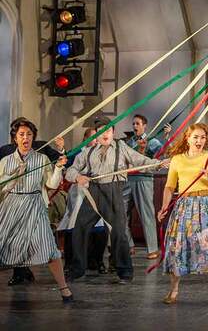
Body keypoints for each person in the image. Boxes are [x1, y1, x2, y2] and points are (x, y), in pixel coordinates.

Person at [65, 116, 166, 283]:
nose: (105, 134)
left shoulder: (121, 147)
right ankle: (77, 270)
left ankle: (125, 272)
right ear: (95, 135)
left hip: (113, 190)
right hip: (93, 192)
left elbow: (140, 160)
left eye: (108, 130)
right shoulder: (88, 151)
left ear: (113, 132)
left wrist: (158, 164)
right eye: (100, 131)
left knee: (119, 232)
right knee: (79, 229)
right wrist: (78, 177)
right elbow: (70, 170)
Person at [156, 123, 208, 305]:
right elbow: (170, 187)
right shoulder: (177, 159)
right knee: (177, 247)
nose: (199, 141)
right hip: (184, 206)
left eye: (202, 137)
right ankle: (173, 290)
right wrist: (163, 207)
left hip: (206, 206)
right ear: (188, 138)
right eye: (196, 137)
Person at [0, 118, 73, 302]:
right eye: (22, 134)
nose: (26, 138)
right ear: (15, 138)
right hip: (11, 206)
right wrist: (12, 176)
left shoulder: (42, 159)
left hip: (35, 206)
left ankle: (64, 289)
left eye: (29, 134)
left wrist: (57, 169)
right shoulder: (5, 161)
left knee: (49, 248)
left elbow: (51, 184)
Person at [58, 128, 108, 277]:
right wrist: (61, 150)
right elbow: (65, 164)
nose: (96, 140)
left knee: (99, 225)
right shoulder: (78, 152)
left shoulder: (103, 152)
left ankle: (97, 261)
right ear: (85, 139)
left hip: (96, 190)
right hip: (78, 192)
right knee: (73, 223)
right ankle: (70, 263)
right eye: (93, 137)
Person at [123, 114, 166, 259]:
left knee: (146, 214)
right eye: (133, 123)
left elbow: (160, 159)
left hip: (144, 179)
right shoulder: (129, 143)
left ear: (144, 125)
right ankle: (128, 245)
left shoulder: (152, 141)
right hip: (128, 179)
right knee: (122, 213)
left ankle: (152, 249)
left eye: (138, 123)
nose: (135, 126)